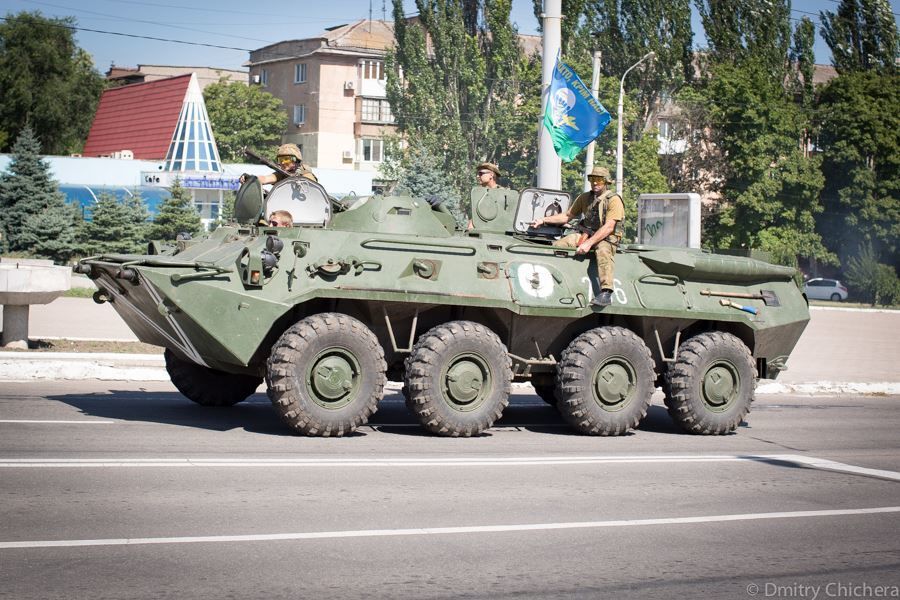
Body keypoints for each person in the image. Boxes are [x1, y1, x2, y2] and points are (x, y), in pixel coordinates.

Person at [530, 166, 624, 307]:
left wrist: (588, 243)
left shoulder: (613, 200)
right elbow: (567, 216)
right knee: (560, 245)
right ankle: (549, 281)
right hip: (586, 234)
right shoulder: (585, 197)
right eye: (592, 179)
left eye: (598, 179)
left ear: (605, 182)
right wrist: (543, 220)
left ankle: (606, 292)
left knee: (603, 251)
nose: (595, 183)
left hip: (606, 237)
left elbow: (609, 227)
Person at [240, 144, 317, 185]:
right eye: (280, 160)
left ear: (296, 160)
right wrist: (250, 179)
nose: (283, 163)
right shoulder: (281, 174)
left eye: (286, 159)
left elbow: (311, 188)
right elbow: (265, 179)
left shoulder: (306, 174)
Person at [468, 162, 502, 229]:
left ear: (491, 175)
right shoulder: (478, 195)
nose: (477, 176)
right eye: (477, 174)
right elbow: (473, 218)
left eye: (481, 174)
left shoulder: (502, 194)